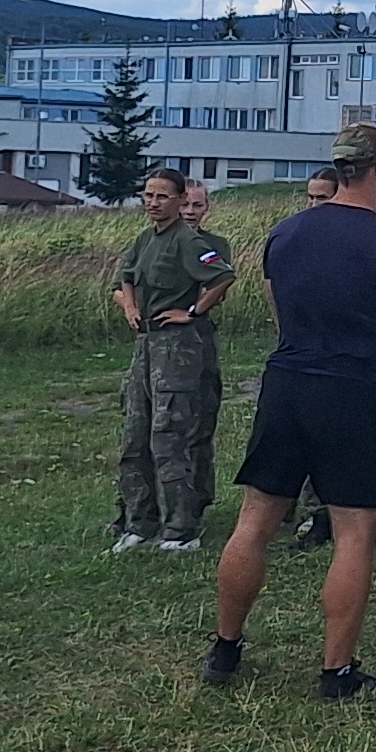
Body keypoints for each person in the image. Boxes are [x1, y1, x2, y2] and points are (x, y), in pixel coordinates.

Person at [203, 127, 376, 698]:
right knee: (355, 532)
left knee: (254, 522)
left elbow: (280, 312)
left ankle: (225, 648)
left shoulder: (285, 233)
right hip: (350, 390)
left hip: (287, 384)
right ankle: (337, 671)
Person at [109, 166, 234, 552]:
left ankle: (182, 528)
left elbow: (222, 276)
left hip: (177, 346)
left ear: (179, 201)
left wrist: (192, 311)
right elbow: (126, 275)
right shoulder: (147, 237)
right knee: (135, 437)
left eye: (162, 196)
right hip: (146, 344)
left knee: (171, 437)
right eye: (148, 195)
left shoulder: (188, 240)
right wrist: (130, 306)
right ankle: (138, 522)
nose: (153, 202)